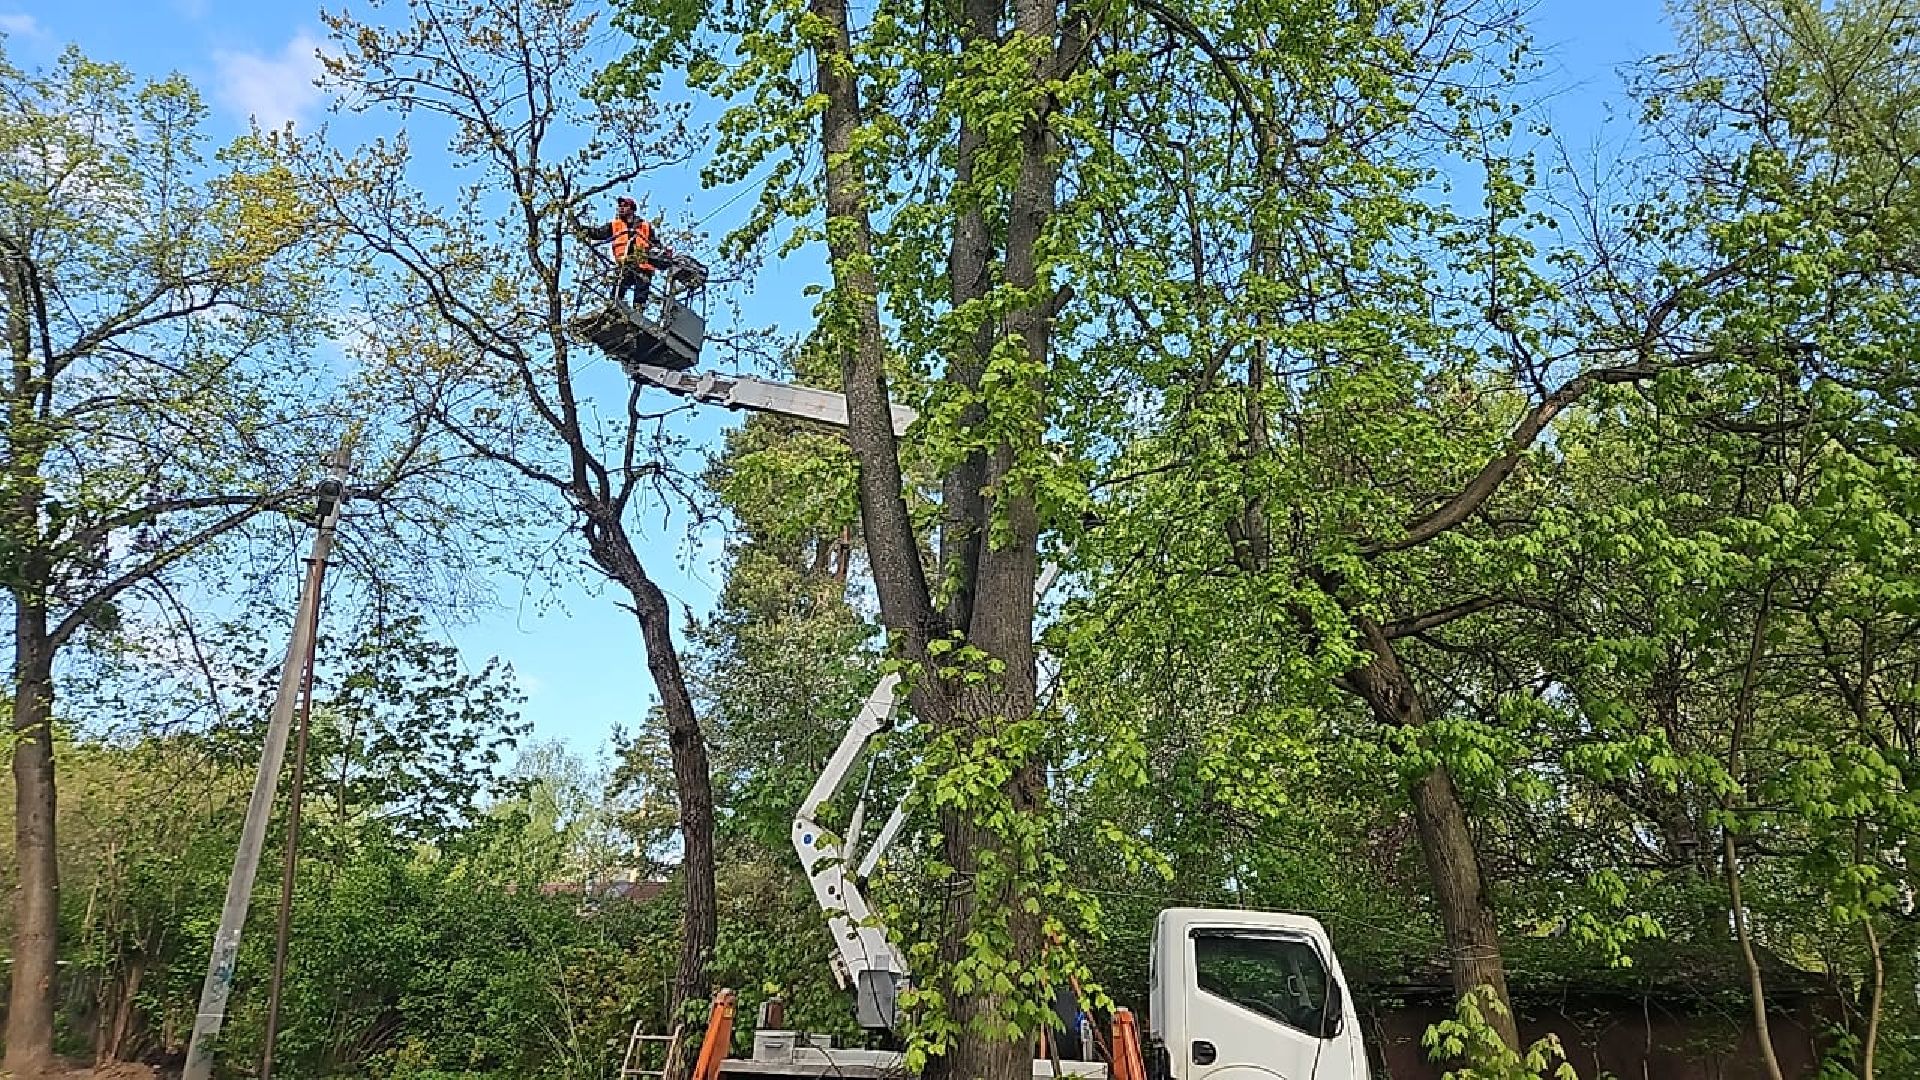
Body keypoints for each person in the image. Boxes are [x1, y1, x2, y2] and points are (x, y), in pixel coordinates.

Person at [579, 196, 657, 309]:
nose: (621, 208)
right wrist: (581, 229)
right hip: (624, 263)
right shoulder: (615, 225)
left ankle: (638, 311)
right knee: (618, 288)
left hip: (642, 264)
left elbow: (655, 244)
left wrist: (661, 252)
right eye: (620, 206)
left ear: (632, 209)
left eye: (624, 206)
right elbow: (598, 233)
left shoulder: (645, 226)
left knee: (641, 291)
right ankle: (613, 308)